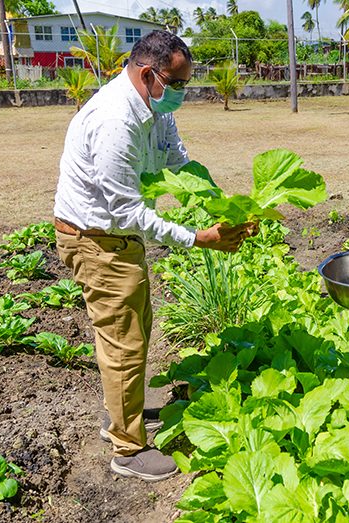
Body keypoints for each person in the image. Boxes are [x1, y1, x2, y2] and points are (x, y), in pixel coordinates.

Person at [53, 31, 250, 482]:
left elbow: (179, 164)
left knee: (131, 333)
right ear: (148, 74)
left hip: (117, 240)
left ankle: (121, 416)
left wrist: (227, 209)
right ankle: (127, 449)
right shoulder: (113, 120)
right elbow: (129, 210)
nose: (180, 94)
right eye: (177, 84)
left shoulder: (153, 110)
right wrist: (199, 237)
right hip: (96, 240)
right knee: (124, 343)